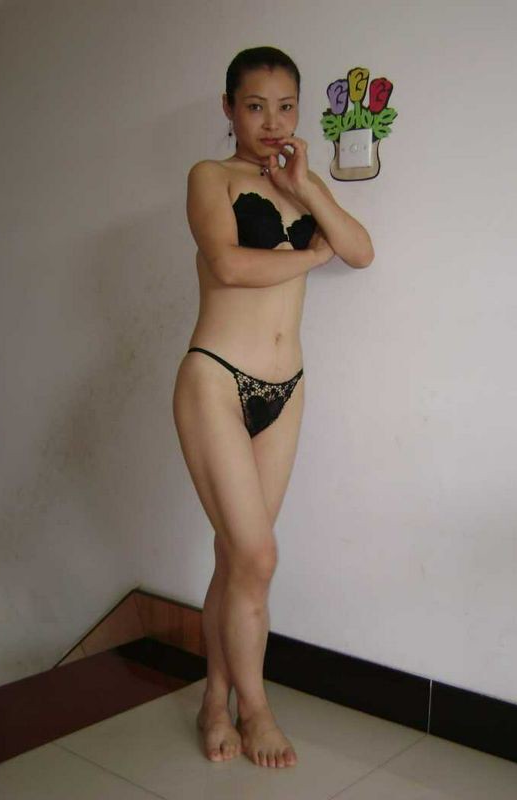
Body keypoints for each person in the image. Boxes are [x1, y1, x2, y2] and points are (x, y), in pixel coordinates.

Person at [172, 46, 374, 770]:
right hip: (216, 381)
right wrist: (313, 257)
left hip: (286, 390)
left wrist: (307, 189)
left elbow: (361, 250)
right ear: (228, 108)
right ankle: (255, 709)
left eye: (285, 107)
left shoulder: (300, 182)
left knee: (238, 557)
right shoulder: (210, 176)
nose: (271, 121)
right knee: (257, 555)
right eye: (255, 106)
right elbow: (229, 264)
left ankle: (213, 699)